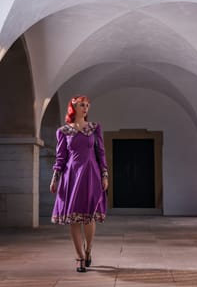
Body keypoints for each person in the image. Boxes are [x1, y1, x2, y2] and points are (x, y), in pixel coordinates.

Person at [50, 95, 108, 273]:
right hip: (71, 176)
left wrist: (105, 174)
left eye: (87, 105)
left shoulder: (94, 128)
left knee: (89, 216)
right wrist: (55, 178)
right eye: (82, 105)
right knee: (74, 219)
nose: (85, 108)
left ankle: (88, 250)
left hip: (91, 174)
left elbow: (101, 152)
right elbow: (61, 157)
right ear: (73, 107)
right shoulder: (63, 131)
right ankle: (79, 257)